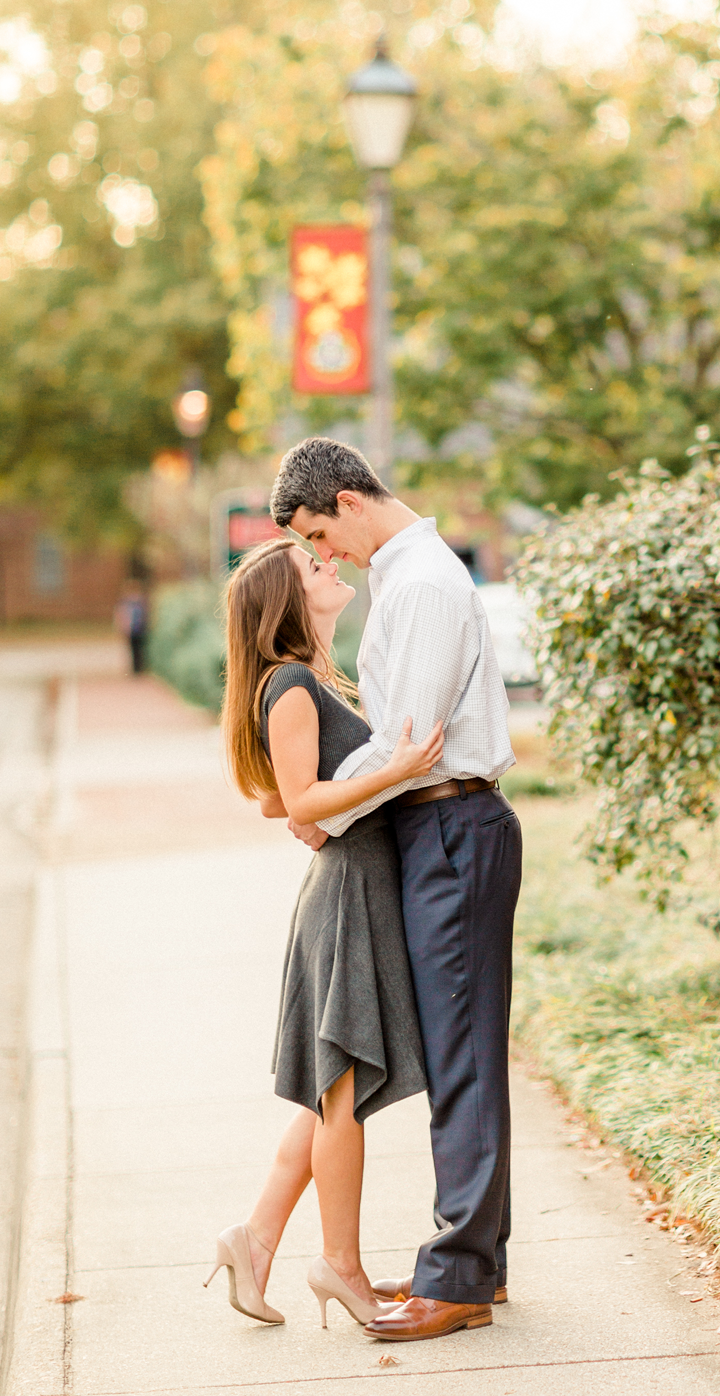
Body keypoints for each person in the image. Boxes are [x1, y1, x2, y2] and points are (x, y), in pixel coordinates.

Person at [269, 436, 521, 1344]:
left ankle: (456, 1280)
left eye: (319, 535)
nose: (324, 556)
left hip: (451, 824)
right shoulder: (412, 576)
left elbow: (405, 743)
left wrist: (317, 814)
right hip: (444, 827)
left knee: (460, 1060)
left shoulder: (416, 584)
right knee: (463, 1050)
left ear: (346, 498)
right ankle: (475, 1266)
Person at [208, 536, 440, 1332]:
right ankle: (342, 1268)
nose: (329, 566)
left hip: (350, 891)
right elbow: (302, 803)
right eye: (314, 567)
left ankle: (256, 1238)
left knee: (328, 1094)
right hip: (346, 899)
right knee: (341, 1092)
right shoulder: (296, 684)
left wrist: (323, 799)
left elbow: (283, 799)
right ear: (288, 600)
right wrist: (400, 768)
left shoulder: (301, 685)